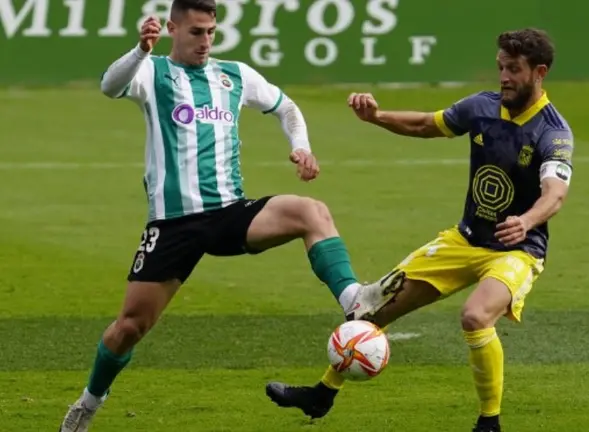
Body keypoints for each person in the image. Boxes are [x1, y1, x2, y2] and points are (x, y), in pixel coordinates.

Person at [58, 1, 372, 430]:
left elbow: (287, 108)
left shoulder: (235, 75)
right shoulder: (151, 72)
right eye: (196, 32)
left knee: (310, 212)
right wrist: (140, 50)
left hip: (229, 214)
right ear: (173, 28)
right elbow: (109, 87)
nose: (205, 41)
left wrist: (302, 146)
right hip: (173, 225)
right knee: (128, 328)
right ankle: (88, 405)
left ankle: (354, 298)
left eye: (211, 32)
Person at [266, 28, 574, 432]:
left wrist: (527, 221)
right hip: (463, 240)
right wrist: (376, 117)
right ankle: (322, 394)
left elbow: (555, 194)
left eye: (513, 70)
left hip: (517, 250)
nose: (503, 77)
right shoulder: (482, 106)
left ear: (539, 72)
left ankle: (490, 421)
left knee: (476, 316)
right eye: (500, 67)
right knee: (369, 310)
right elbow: (426, 125)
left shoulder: (553, 132)